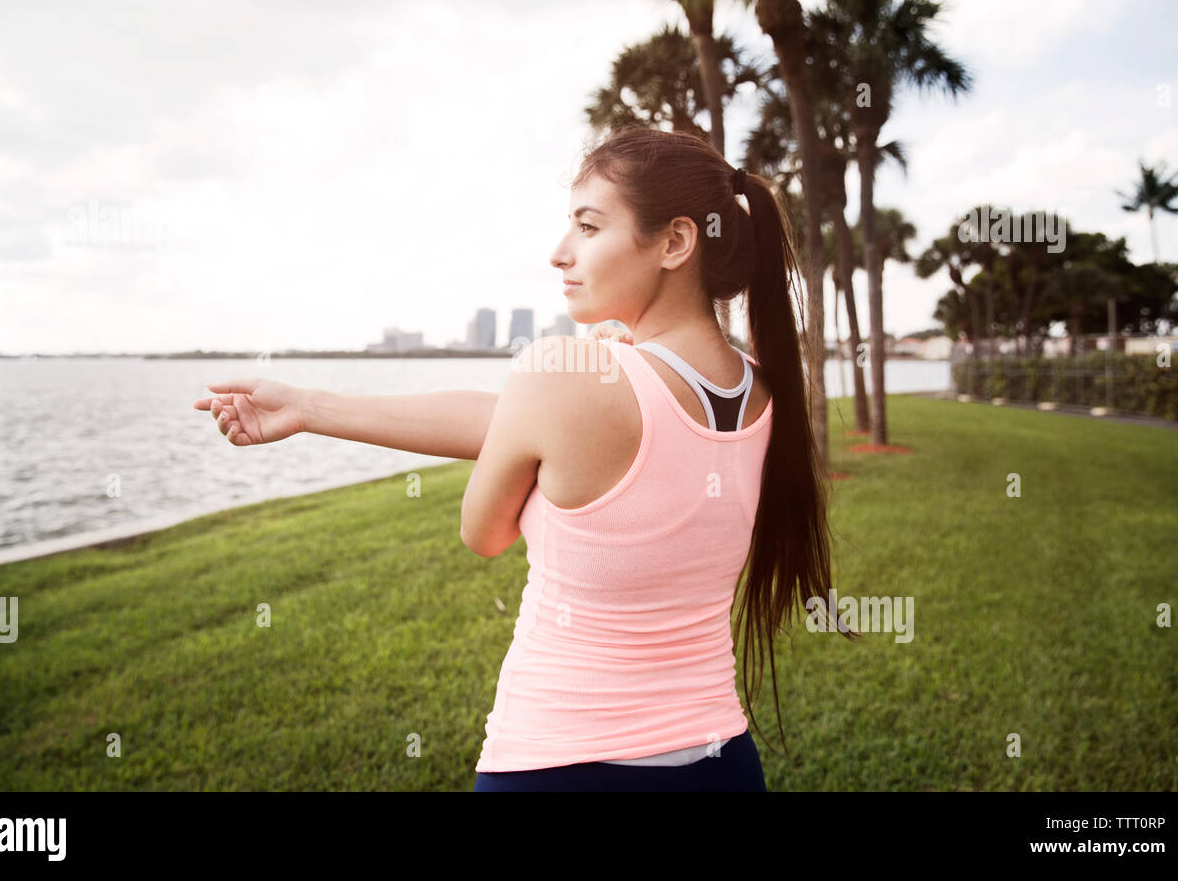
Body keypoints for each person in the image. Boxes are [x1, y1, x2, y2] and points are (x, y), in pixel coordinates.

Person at [192, 125, 848, 792]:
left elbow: (484, 532)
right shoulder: (765, 390)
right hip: (722, 766)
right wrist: (308, 407)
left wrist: (536, 459)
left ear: (676, 242)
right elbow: (518, 424)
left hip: (559, 767)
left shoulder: (567, 379)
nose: (560, 253)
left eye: (588, 228)